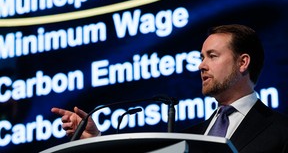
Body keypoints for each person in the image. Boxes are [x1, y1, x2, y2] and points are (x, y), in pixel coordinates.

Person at [51, 24, 288, 152]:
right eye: (201, 57)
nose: (201, 65)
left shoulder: (281, 130)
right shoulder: (191, 136)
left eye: (212, 56)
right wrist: (97, 139)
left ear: (243, 62)